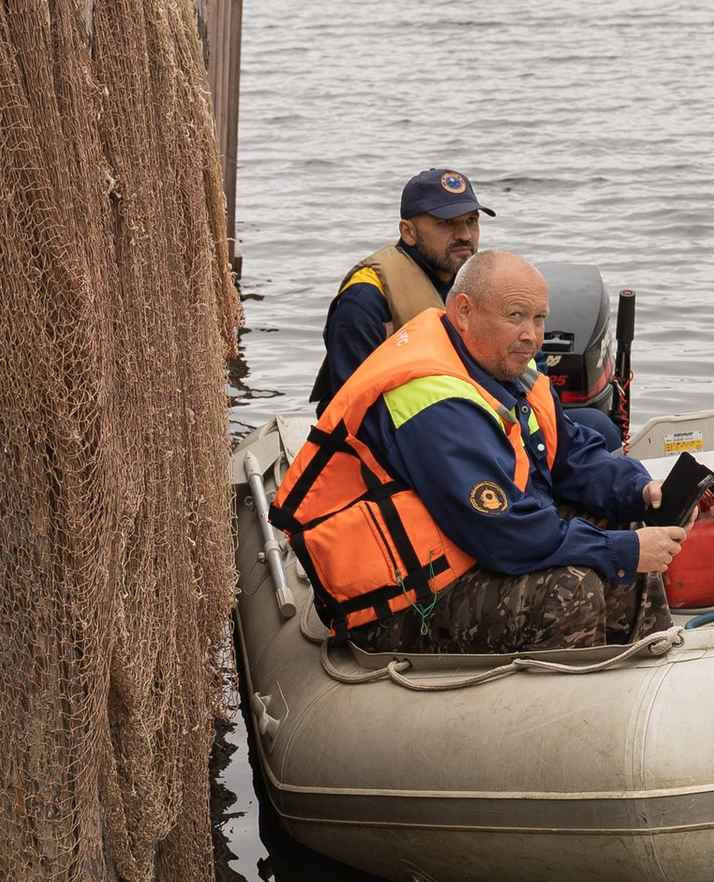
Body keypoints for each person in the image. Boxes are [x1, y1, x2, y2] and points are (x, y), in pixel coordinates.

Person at [273, 248, 689, 653]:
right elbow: (501, 534)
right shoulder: (430, 399)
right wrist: (618, 550)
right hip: (403, 596)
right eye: (515, 316)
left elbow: (570, 453)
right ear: (464, 312)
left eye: (539, 318)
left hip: (461, 547)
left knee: (625, 537)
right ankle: (558, 715)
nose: (532, 335)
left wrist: (637, 488)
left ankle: (640, 676)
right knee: (574, 586)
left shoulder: (505, 367)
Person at [312, 166, 486, 404]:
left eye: (471, 221)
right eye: (447, 223)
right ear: (408, 232)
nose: (465, 235)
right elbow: (352, 409)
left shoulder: (480, 287)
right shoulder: (364, 300)